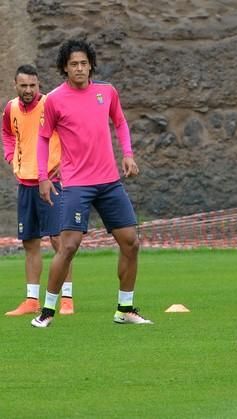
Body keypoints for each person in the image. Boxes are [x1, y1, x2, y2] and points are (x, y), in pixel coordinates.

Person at [31, 39, 152, 327]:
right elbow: (43, 138)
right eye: (74, 64)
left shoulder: (106, 92)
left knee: (131, 243)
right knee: (69, 246)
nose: (80, 68)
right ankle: (47, 312)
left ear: (91, 65)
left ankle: (125, 309)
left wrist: (128, 155)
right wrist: (43, 177)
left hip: (109, 182)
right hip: (77, 185)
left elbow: (120, 122)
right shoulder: (55, 100)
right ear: (65, 67)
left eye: (84, 63)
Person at [1, 64, 75, 316]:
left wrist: (63, 164)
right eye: (24, 85)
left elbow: (69, 133)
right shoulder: (10, 108)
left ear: (38, 84)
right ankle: (32, 300)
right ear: (16, 85)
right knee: (30, 242)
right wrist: (11, 157)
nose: (29, 90)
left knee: (59, 241)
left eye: (33, 85)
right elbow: (8, 133)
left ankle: (66, 299)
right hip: (25, 184)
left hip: (51, 184)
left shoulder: (50, 105)